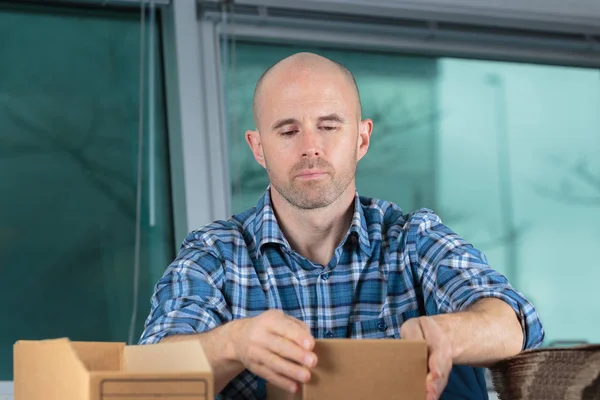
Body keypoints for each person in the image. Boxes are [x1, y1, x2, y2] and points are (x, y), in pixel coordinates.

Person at [139, 52, 544, 400]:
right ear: (258, 147)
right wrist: (233, 343)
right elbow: (148, 376)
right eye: (288, 130)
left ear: (362, 139)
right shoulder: (215, 254)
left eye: (329, 126)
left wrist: (446, 334)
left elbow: (514, 322)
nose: (310, 146)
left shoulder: (413, 238)